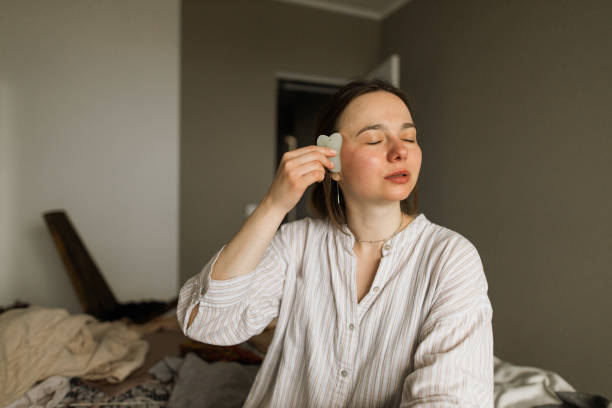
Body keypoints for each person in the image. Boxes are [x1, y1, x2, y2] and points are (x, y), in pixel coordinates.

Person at [177, 79, 494, 407]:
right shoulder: (296, 243)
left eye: (409, 137)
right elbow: (206, 323)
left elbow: (448, 399)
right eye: (374, 139)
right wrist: (273, 205)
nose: (400, 151)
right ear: (334, 162)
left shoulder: (450, 257)